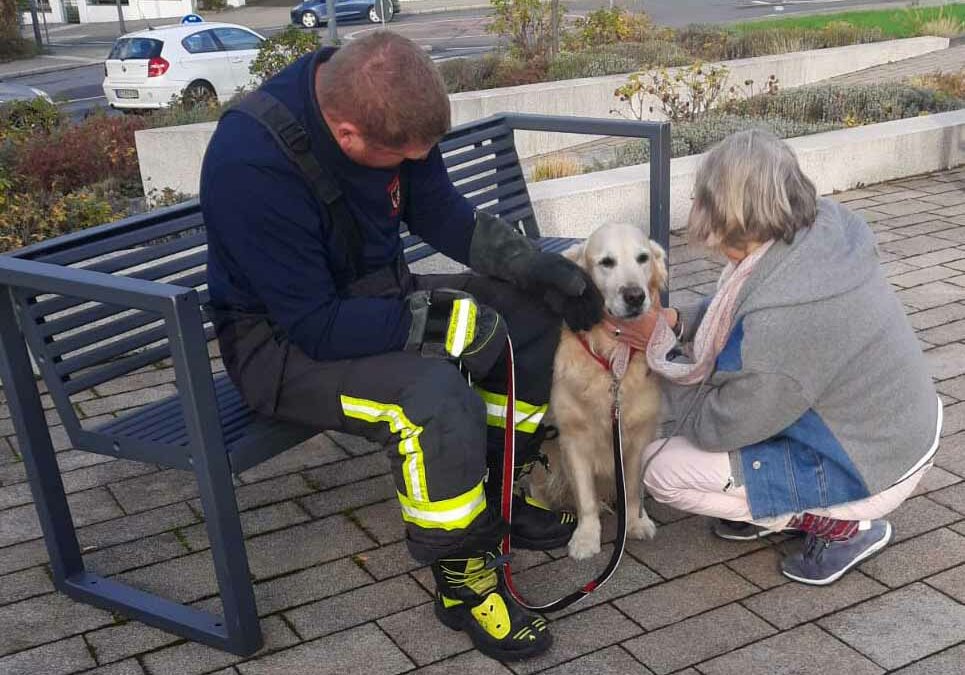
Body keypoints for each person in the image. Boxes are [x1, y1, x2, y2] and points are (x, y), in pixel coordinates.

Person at [199, 31, 604, 660]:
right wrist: (448, 326)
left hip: (375, 295)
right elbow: (316, 325)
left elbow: (439, 211)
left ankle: (499, 489)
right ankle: (463, 580)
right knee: (433, 400)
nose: (414, 164)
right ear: (347, 136)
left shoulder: (386, 99)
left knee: (528, 316)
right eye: (401, 157)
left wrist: (537, 269)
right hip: (279, 345)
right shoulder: (250, 164)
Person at [641, 129, 941, 586]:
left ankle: (843, 527)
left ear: (729, 215)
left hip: (870, 463)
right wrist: (678, 322)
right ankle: (768, 502)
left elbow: (722, 425)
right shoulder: (821, 226)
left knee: (659, 467)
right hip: (898, 430)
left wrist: (652, 382)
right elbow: (738, 310)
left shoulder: (786, 318)